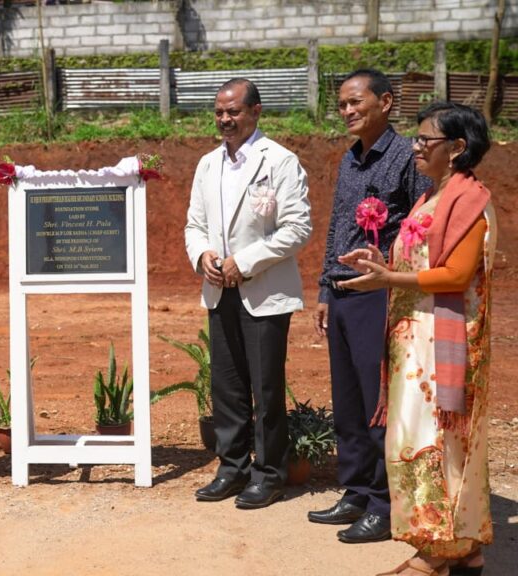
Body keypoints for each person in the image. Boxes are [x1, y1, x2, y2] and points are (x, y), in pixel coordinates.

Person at [339, 102, 495, 576]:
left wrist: (388, 279)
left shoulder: (470, 202)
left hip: (442, 341)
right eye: (417, 138)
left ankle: (437, 552)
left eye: (426, 140)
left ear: (458, 148)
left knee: (438, 440)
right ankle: (463, 548)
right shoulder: (432, 197)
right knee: (412, 438)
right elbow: (418, 262)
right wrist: (379, 262)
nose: (416, 147)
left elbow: (456, 274)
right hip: (415, 341)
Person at [309, 69, 431, 544]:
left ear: (386, 102)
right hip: (340, 296)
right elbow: (338, 226)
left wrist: (389, 265)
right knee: (349, 403)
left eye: (355, 102)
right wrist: (323, 288)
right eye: (341, 105)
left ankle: (384, 503)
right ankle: (356, 490)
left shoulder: (407, 158)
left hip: (378, 295)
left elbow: (417, 227)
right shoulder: (349, 160)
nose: (347, 111)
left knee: (380, 404)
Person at [184, 78, 311, 510]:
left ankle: (270, 473)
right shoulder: (207, 165)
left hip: (264, 290)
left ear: (256, 112)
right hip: (220, 289)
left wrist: (247, 260)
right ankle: (232, 468)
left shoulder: (280, 161)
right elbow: (194, 225)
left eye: (233, 112)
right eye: (219, 113)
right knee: (227, 386)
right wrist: (202, 255)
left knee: (266, 387)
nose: (225, 120)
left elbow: (297, 228)